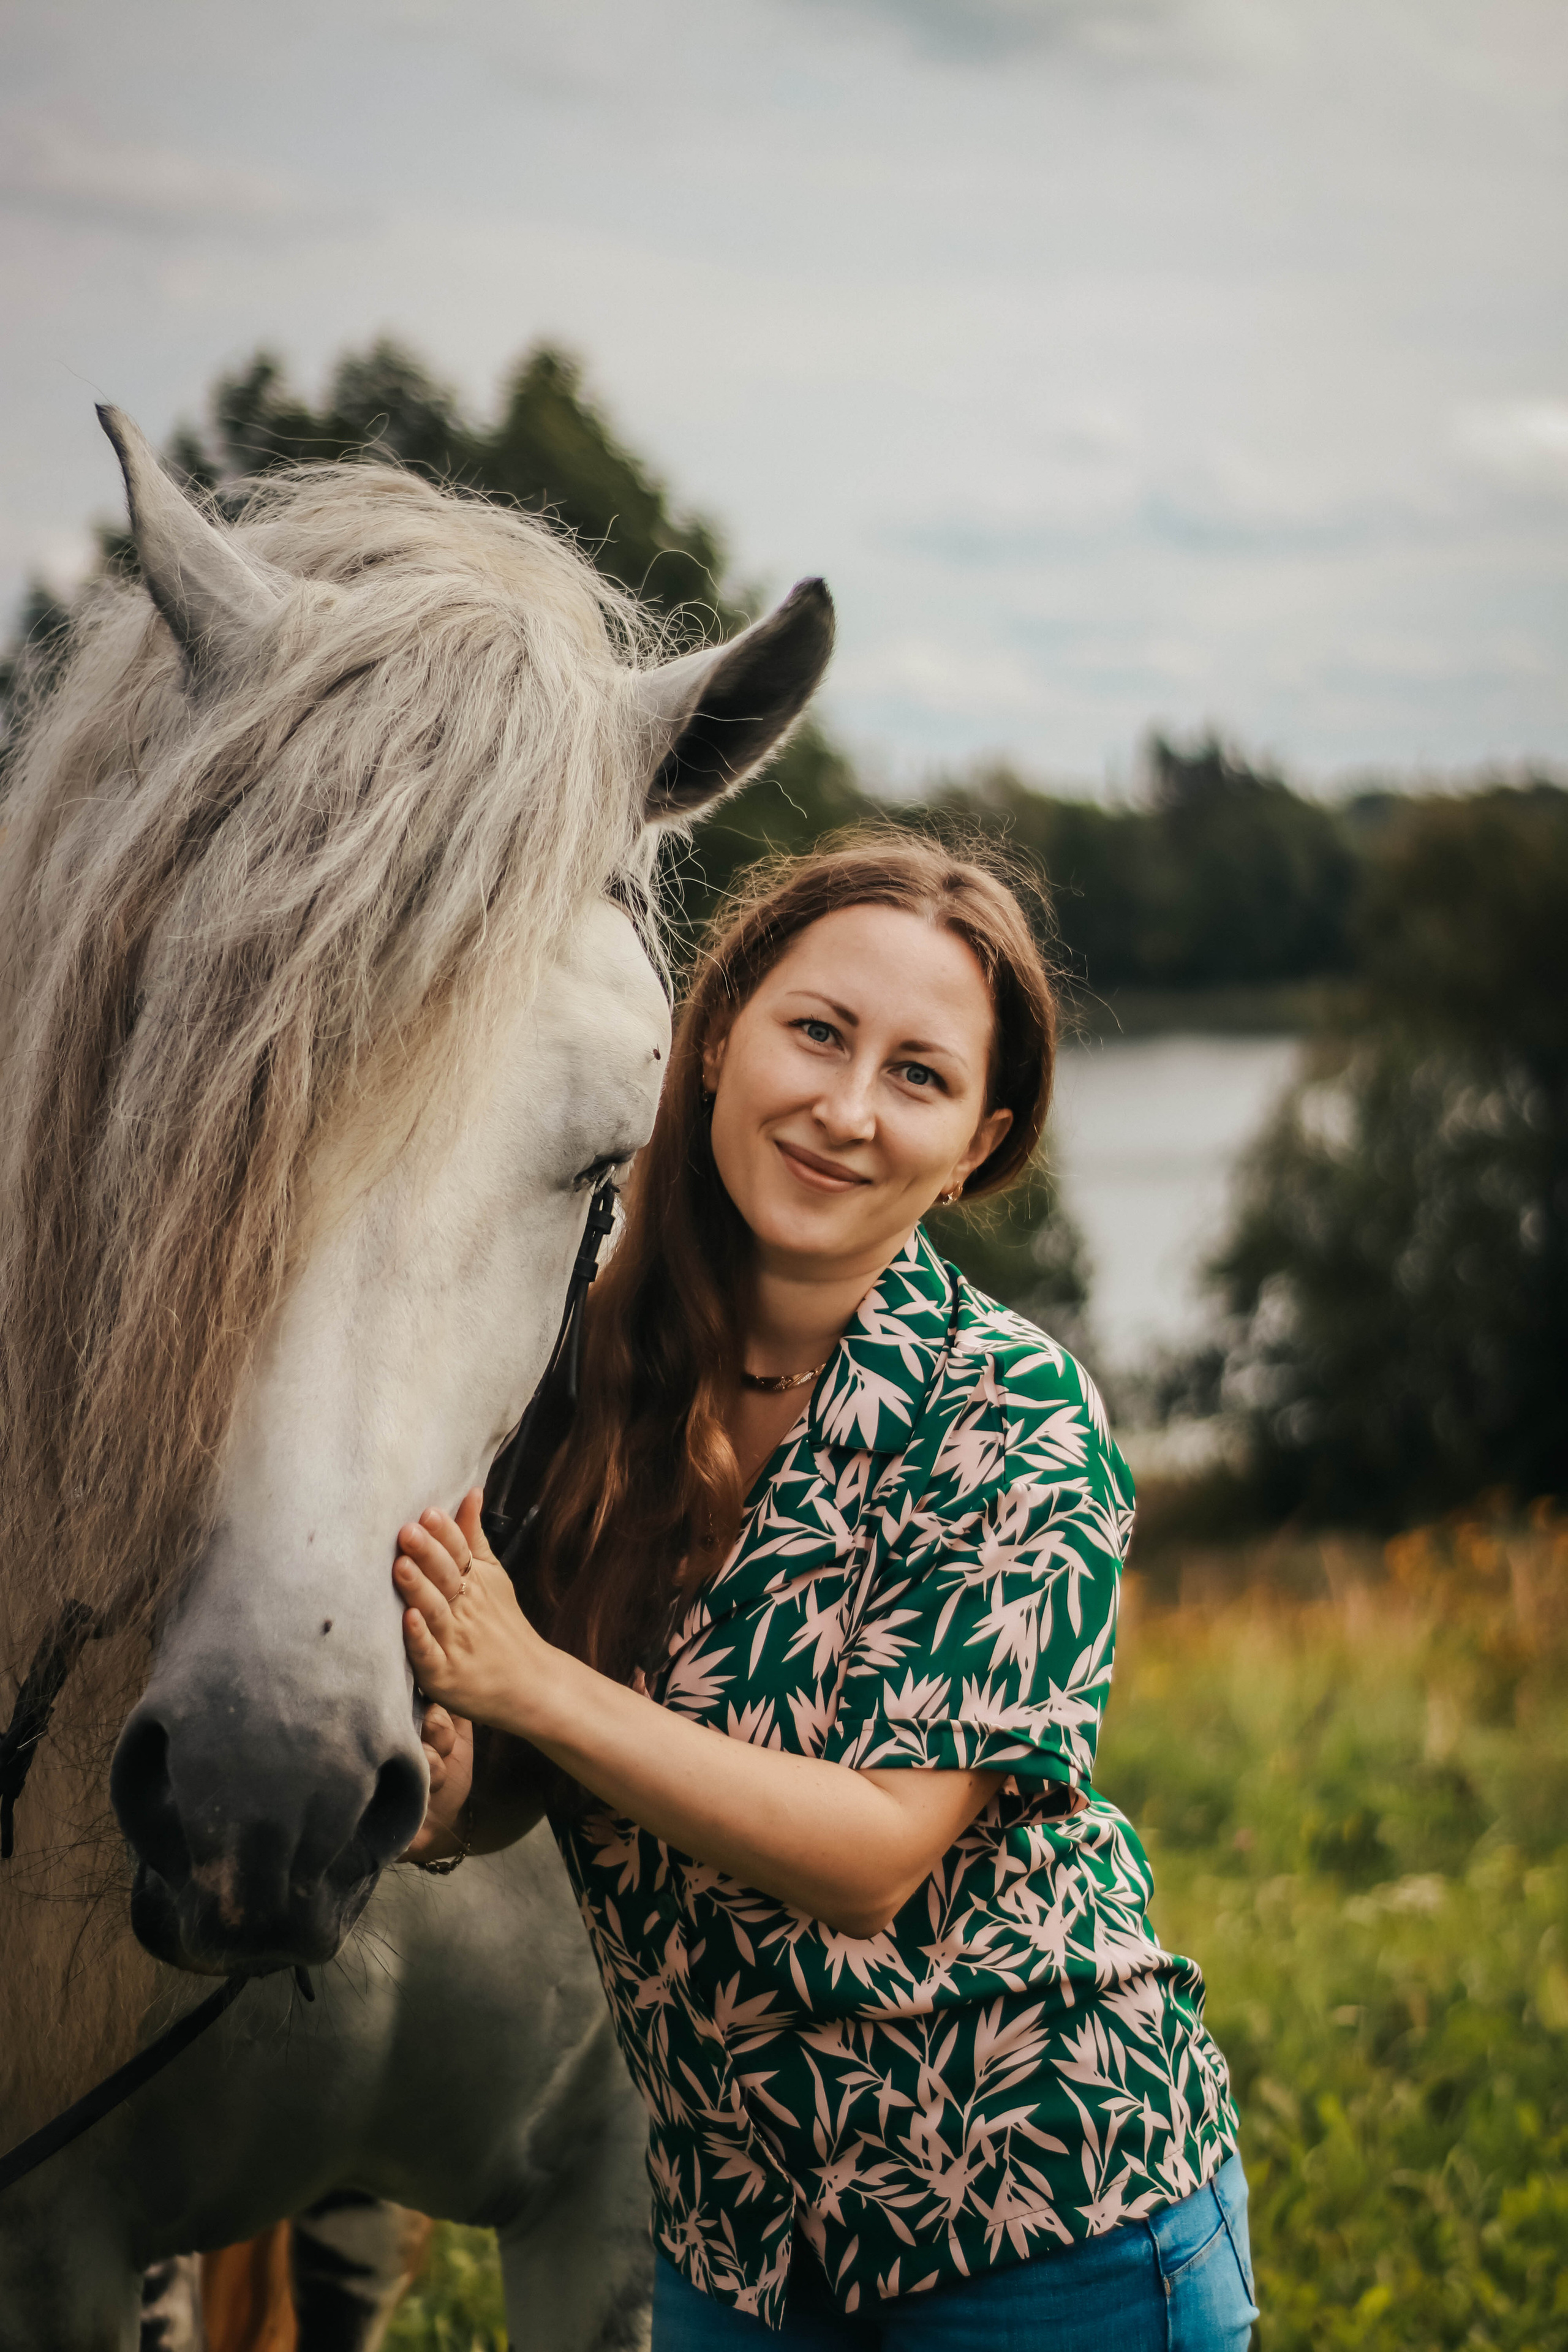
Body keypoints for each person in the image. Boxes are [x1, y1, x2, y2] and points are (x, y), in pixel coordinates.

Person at [395, 838, 1257, 2351]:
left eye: (917, 1077)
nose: (846, 1111)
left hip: (1044, 2224)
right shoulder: (567, 1372)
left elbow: (871, 1853)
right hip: (738, 2249)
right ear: (717, 1031)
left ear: (978, 1143)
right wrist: (458, 1785)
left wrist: (528, 1682)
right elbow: (533, 1768)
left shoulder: (1018, 1417)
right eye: (817, 1033)